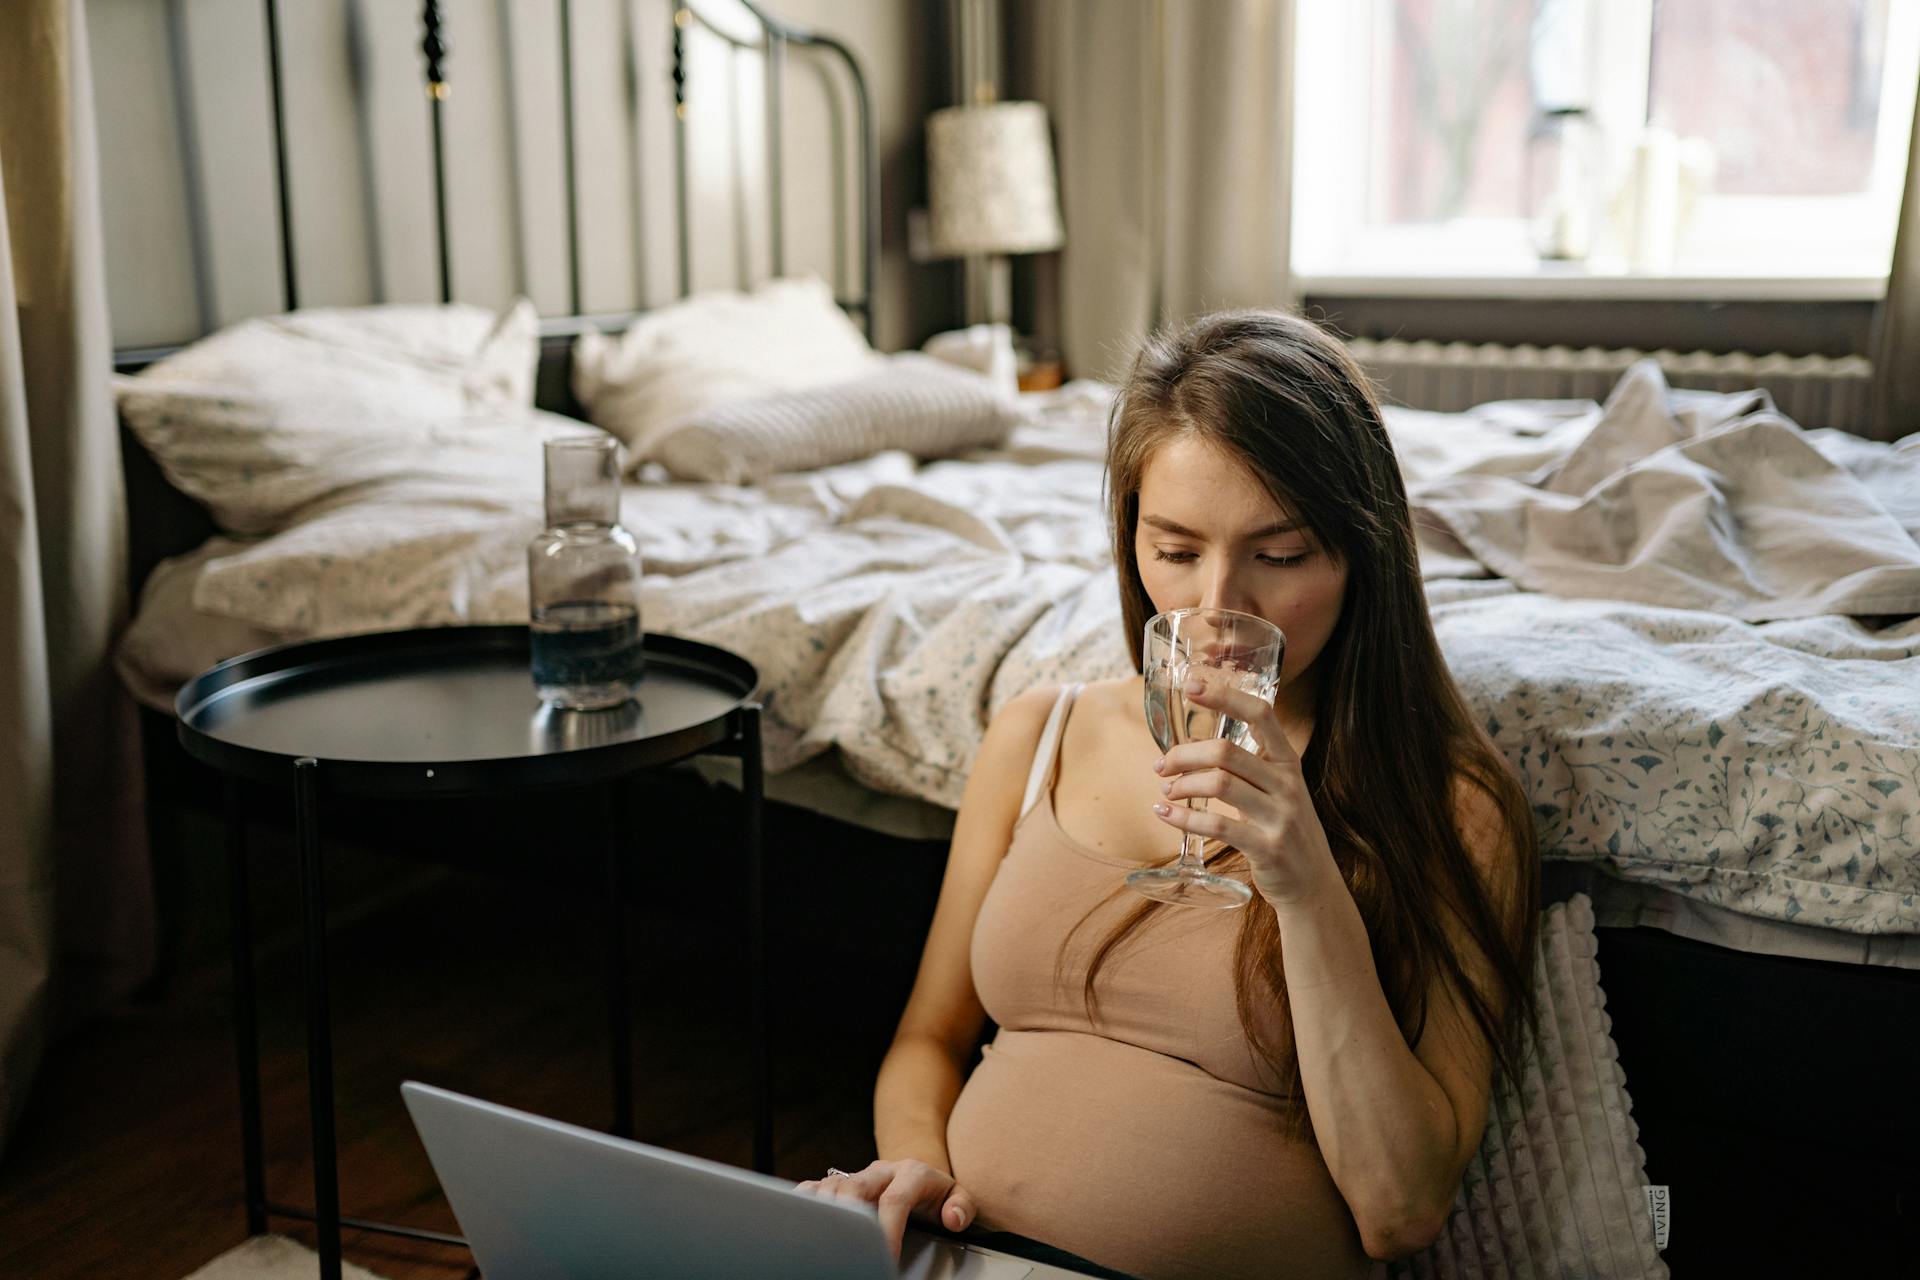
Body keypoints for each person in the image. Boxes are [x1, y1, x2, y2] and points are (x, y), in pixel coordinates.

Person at [797, 311, 1539, 1280]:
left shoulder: (1451, 802)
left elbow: (1402, 1206)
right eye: (1177, 550)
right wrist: (918, 1178)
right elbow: (927, 1041)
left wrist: (1307, 880)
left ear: (1364, 552)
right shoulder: (1039, 735)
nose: (1218, 608)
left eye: (1280, 554)